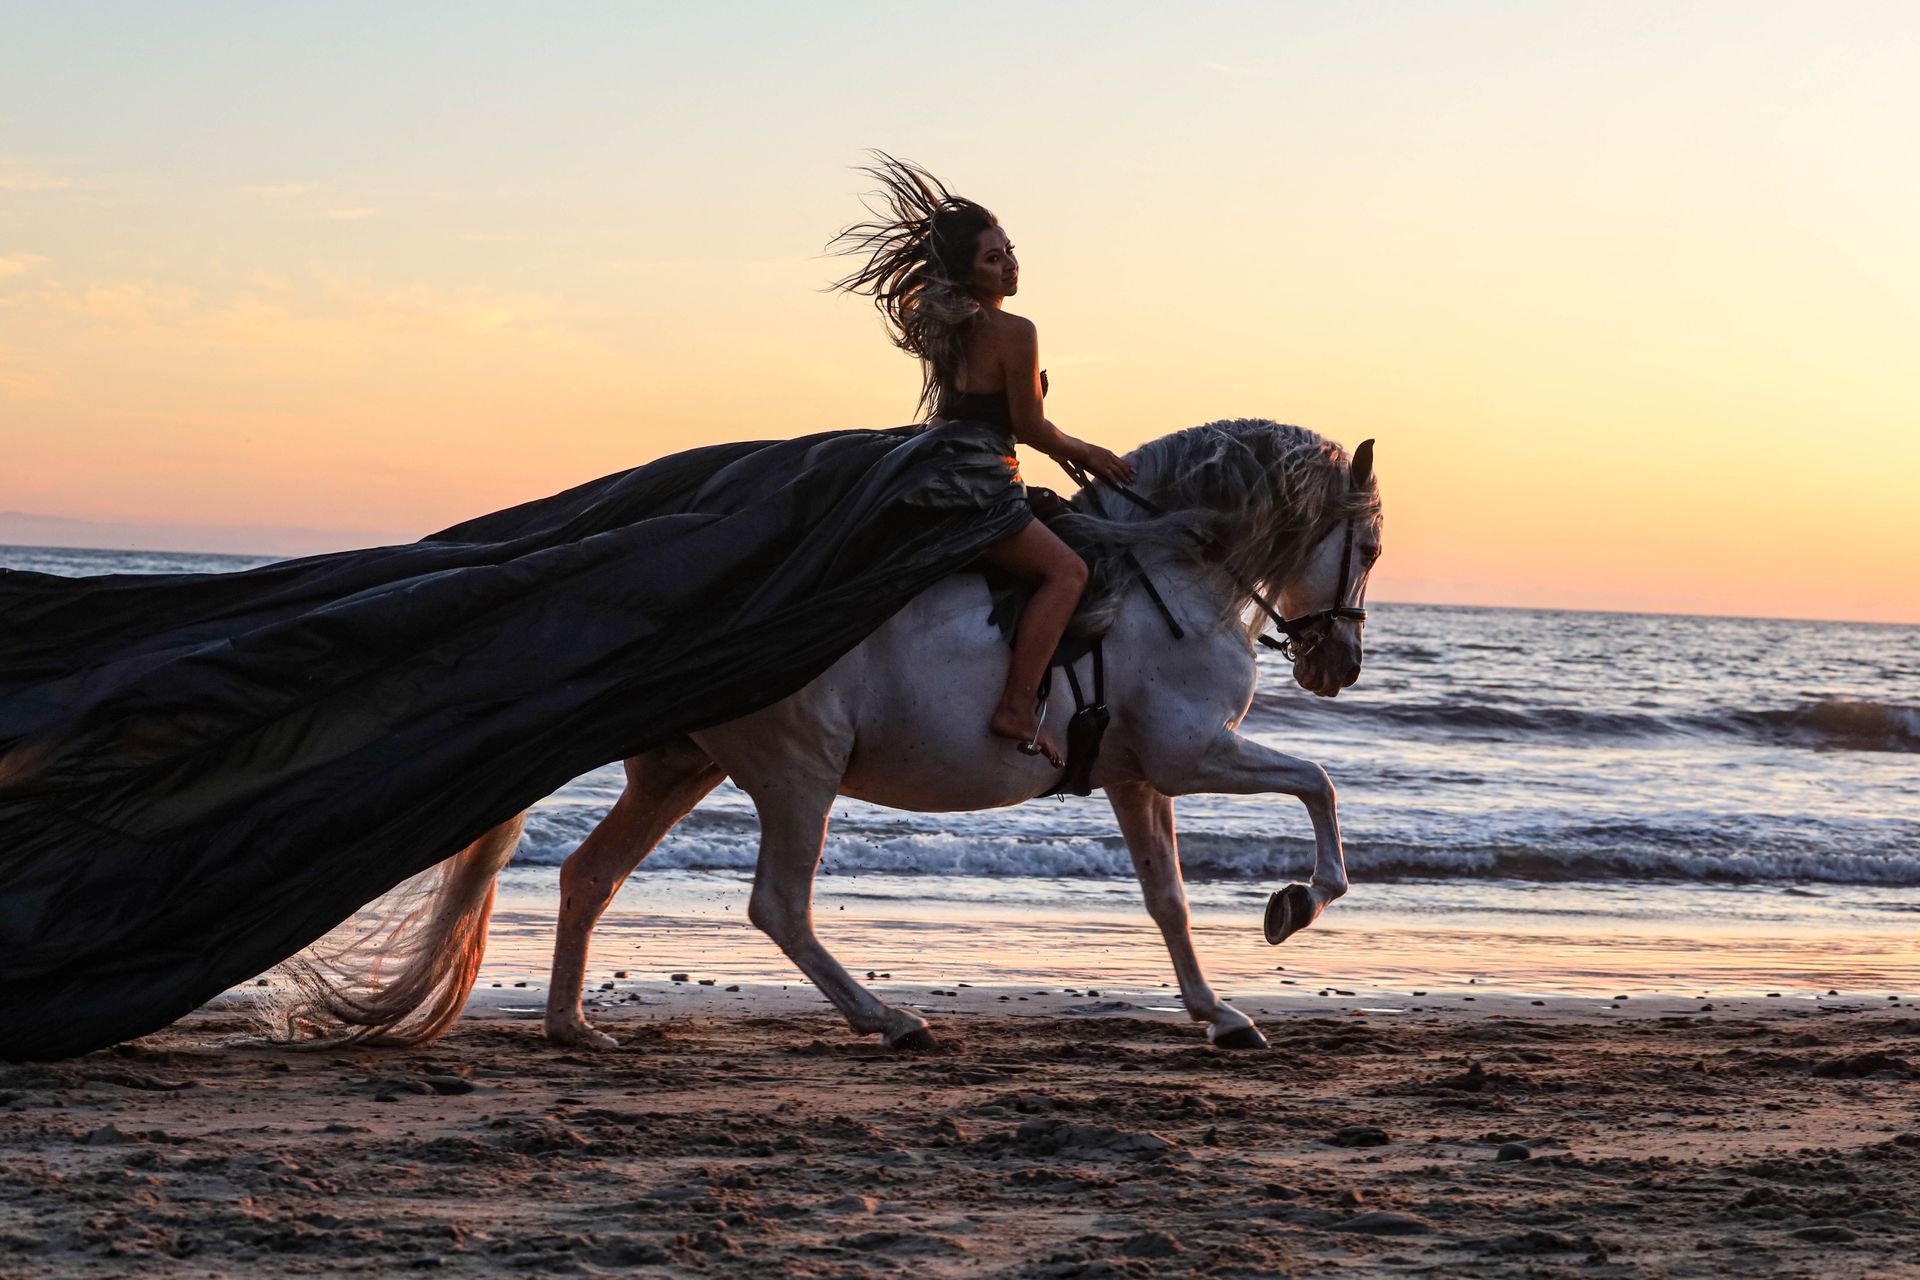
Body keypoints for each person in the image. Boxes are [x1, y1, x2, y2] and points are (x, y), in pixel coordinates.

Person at [829, 154, 1134, 767]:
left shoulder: (945, 327)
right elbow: (1028, 427)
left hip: (937, 460)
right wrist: (1091, 453)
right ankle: (1017, 704)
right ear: (968, 274)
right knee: (1067, 573)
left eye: (1010, 250)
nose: (1011, 264)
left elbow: (968, 411)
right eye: (994, 258)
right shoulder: (1014, 330)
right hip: (977, 478)